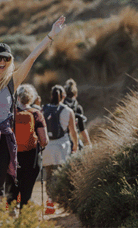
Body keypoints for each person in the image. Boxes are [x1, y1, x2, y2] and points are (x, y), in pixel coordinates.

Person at [0, 16, 66, 197]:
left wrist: (51, 35)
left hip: (1, 139)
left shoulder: (12, 81)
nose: (2, 62)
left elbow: (32, 58)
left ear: (10, 60)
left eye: (6, 59)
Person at [7, 84, 49, 209]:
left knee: (12, 194)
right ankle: (24, 220)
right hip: (31, 159)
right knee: (26, 195)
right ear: (31, 98)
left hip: (12, 159)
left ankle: (10, 218)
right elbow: (44, 140)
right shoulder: (36, 114)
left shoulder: (11, 113)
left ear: (18, 97)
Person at [42, 85, 79, 214]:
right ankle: (64, 203)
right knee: (61, 175)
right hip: (62, 147)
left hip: (47, 147)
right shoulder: (68, 111)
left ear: (51, 96)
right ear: (63, 96)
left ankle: (50, 203)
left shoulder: (43, 109)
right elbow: (73, 131)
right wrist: (75, 145)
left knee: (49, 175)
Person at [63, 78, 92, 149]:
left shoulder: (61, 106)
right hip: (74, 139)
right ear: (75, 95)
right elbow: (82, 128)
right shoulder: (77, 108)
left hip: (61, 139)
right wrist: (89, 143)